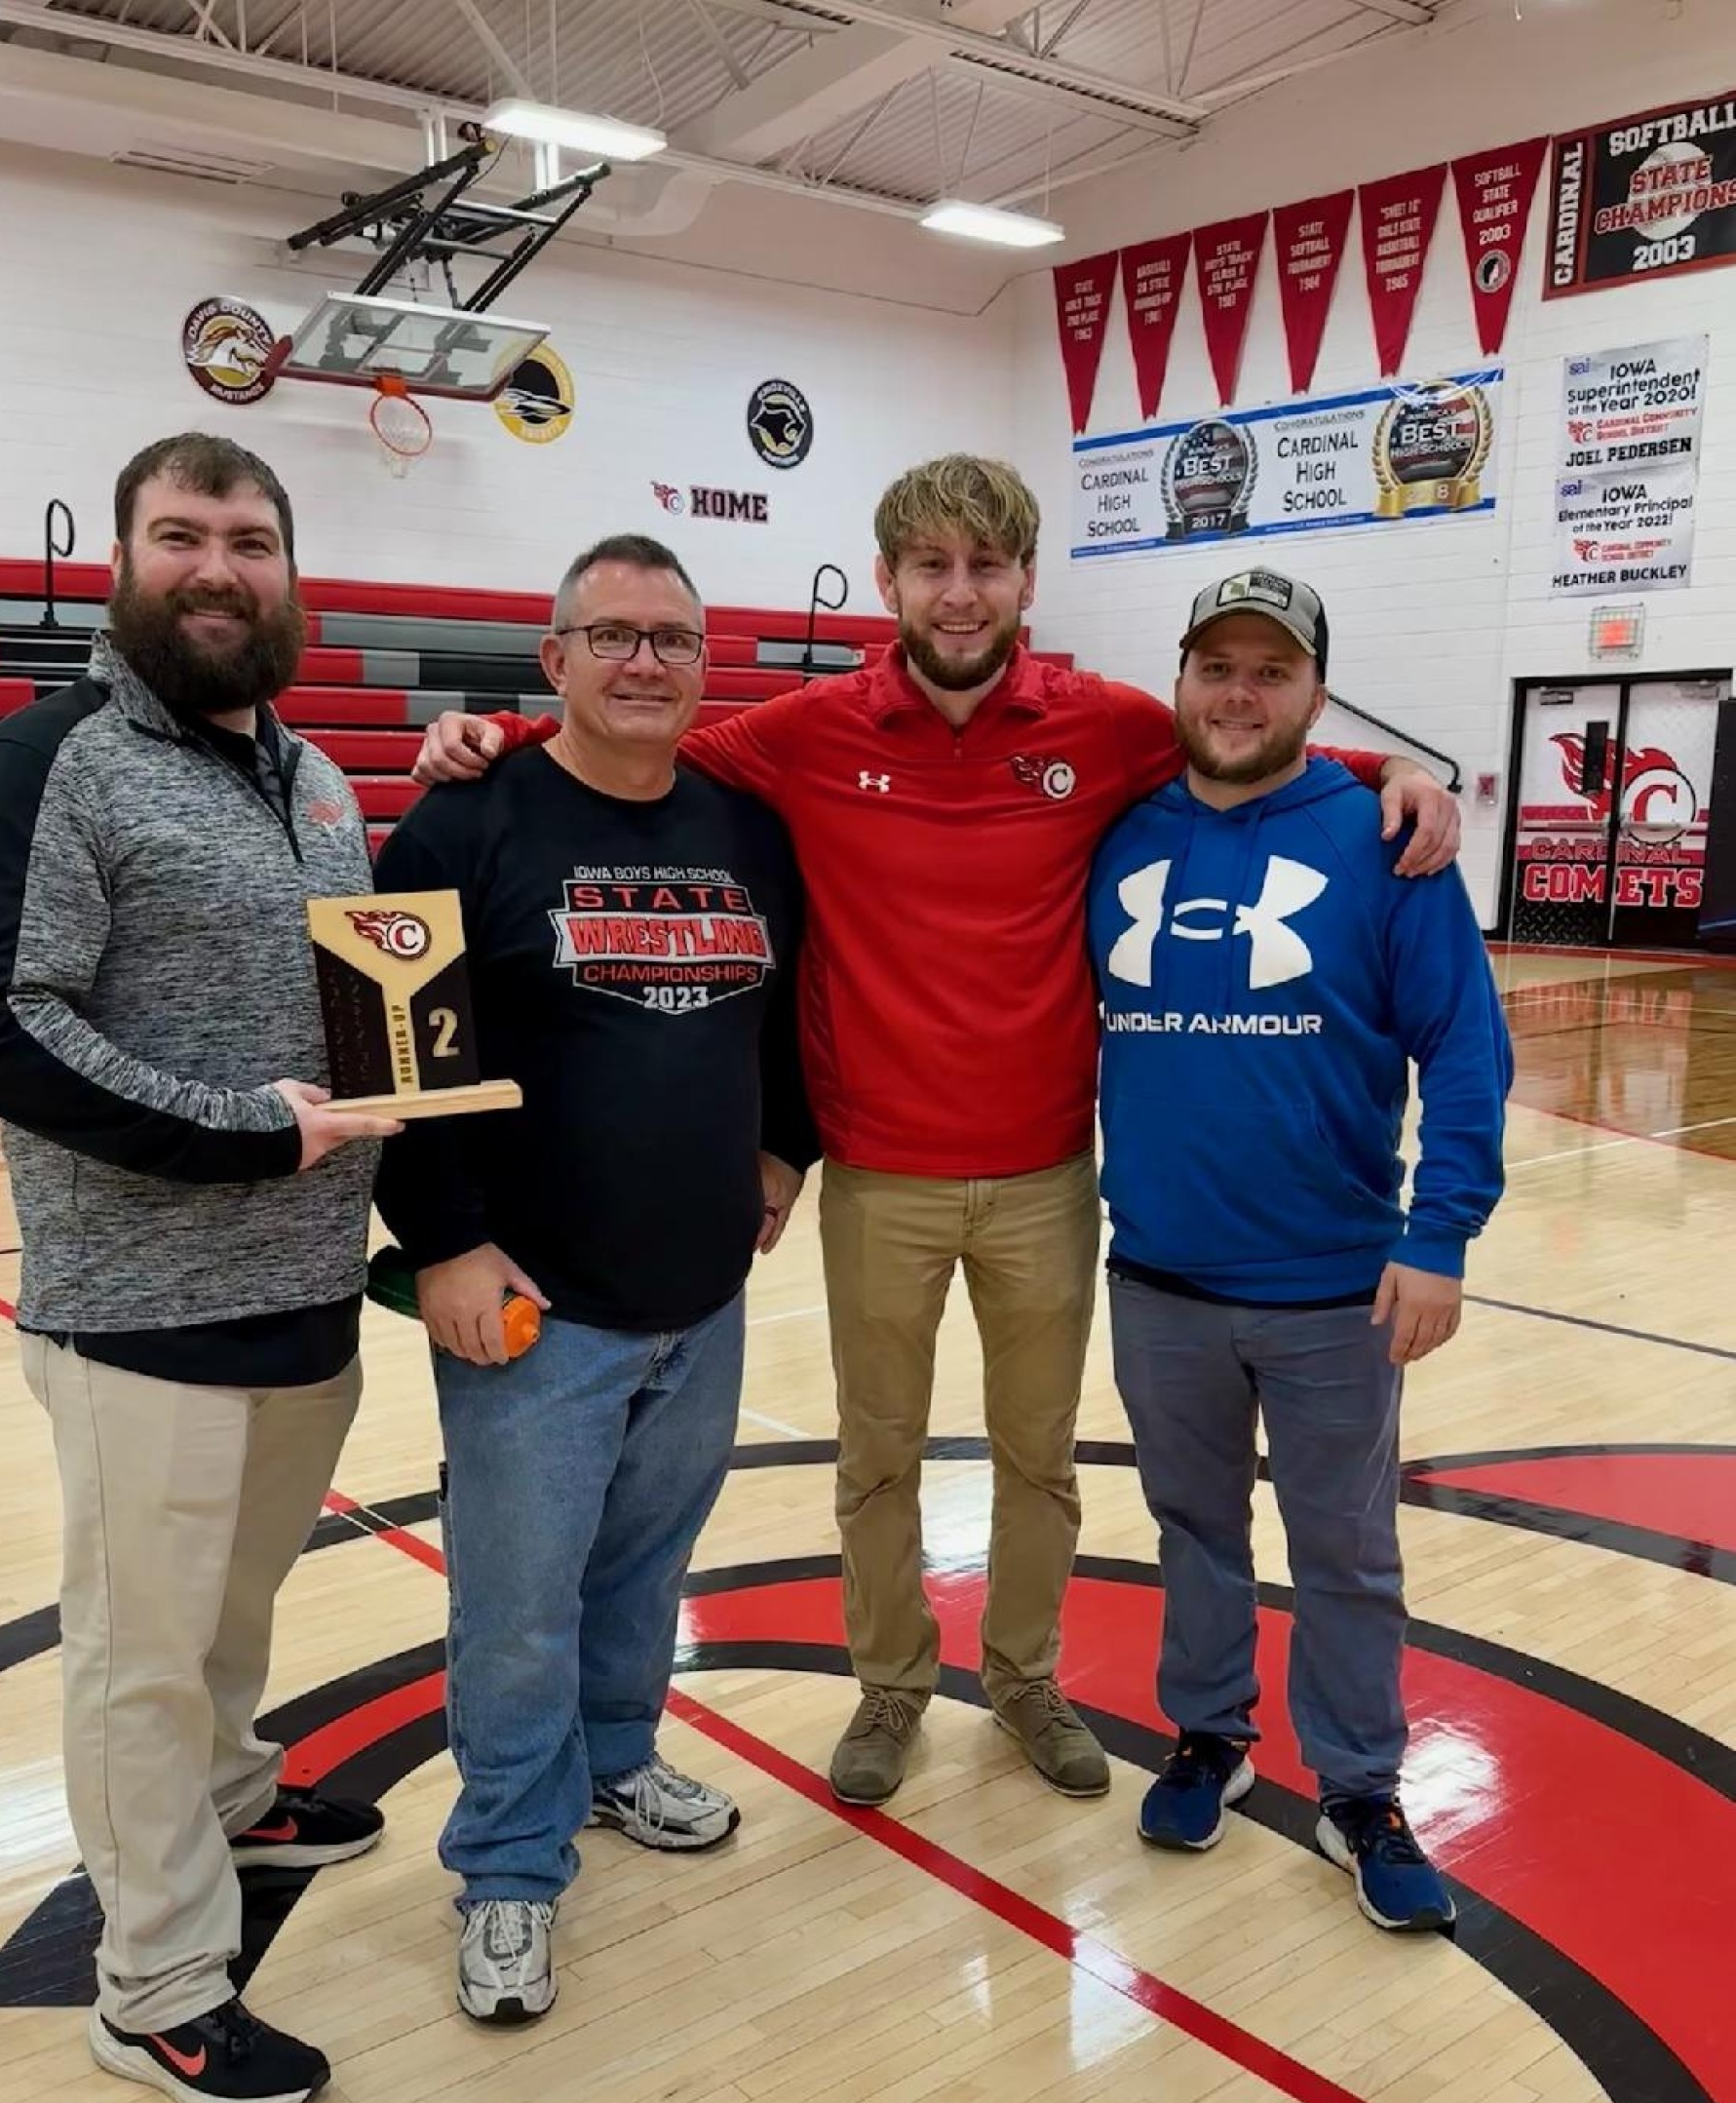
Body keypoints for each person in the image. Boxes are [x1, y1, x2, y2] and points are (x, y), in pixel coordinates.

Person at [410, 456, 1461, 1812]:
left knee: (1040, 1462)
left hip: (1046, 1179)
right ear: (890, 579)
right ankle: (891, 1689)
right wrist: (482, 731)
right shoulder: (801, 731)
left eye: (986, 566)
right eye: (931, 567)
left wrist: (1399, 769)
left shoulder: (1114, 723)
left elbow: (1250, 740)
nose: (959, 595)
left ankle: (1024, 1681)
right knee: (878, 1456)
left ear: (1027, 580)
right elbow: (614, 744)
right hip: (881, 1179)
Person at [0, 433, 400, 2103]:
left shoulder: (320, 776)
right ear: (125, 560)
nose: (219, 566)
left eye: (251, 539)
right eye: (181, 535)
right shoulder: (42, 761)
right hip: (137, 1311)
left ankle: (238, 1785)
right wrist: (235, 1135)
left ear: (291, 570)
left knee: (234, 1614)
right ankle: (159, 1989)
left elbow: (366, 1010)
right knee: (136, 1656)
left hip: (306, 1295)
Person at [372, 533, 816, 2026]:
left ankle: (617, 1760)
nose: (644, 662)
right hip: (528, 1304)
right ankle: (504, 1864)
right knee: (514, 1602)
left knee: (644, 1566)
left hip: (702, 1292)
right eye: (611, 635)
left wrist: (784, 1156)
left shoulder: (748, 830)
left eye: (673, 639)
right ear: (550, 661)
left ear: (705, 667)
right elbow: (389, 1058)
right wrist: (440, 1240)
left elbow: (783, 1017)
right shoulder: (456, 821)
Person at [1089, 567, 1512, 1931]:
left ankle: (1362, 1786)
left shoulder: (1389, 841)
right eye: (1217, 664)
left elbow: (1466, 1050)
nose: (1239, 691)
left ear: (1316, 692)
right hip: (1156, 1277)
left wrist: (1439, 1233)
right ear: (1181, 681)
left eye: (1271, 669)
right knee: (1194, 1529)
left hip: (1334, 1287)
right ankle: (1209, 1731)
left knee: (1346, 1551)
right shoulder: (1118, 831)